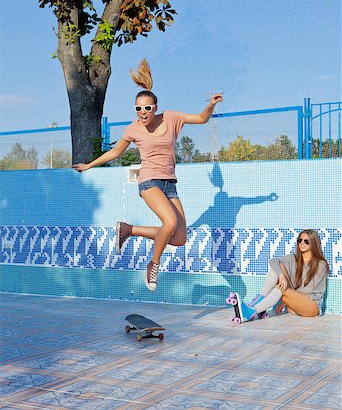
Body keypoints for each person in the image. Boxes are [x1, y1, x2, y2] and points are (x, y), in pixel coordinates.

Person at [72, 58, 223, 291]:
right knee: (170, 222)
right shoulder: (133, 129)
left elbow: (201, 119)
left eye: (147, 108)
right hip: (149, 181)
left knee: (180, 237)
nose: (143, 112)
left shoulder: (171, 118)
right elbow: (115, 153)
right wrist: (89, 165)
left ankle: (128, 230)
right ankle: (153, 265)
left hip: (169, 183)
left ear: (155, 108)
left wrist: (211, 105)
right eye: (138, 109)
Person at [233, 229, 329, 321]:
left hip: (312, 305)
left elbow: (309, 290)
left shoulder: (321, 264)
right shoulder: (293, 258)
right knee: (278, 267)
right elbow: (273, 261)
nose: (302, 243)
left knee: (280, 287)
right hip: (297, 298)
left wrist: (286, 302)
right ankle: (256, 305)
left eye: (306, 241)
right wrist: (281, 275)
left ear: (314, 243)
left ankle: (251, 311)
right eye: (300, 240)